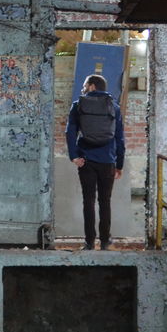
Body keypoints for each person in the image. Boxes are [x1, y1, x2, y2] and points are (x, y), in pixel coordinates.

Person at [65, 73, 125, 250]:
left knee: (88, 200)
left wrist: (74, 156)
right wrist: (119, 164)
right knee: (105, 201)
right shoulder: (114, 107)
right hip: (108, 160)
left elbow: (70, 132)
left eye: (85, 85)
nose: (83, 88)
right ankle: (105, 241)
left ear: (92, 86)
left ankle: (89, 242)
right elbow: (120, 138)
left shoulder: (78, 105)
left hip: (86, 160)